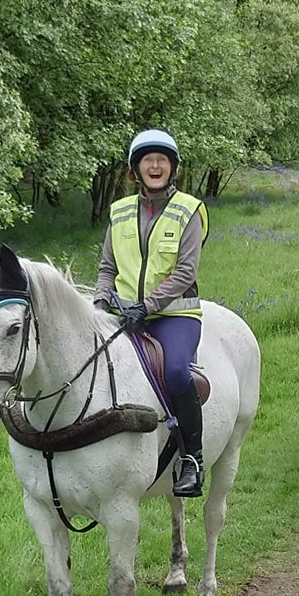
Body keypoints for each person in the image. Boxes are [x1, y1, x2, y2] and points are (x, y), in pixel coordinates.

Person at [94, 129, 209, 498]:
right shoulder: (120, 211)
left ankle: (192, 458)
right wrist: (99, 302)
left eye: (162, 160)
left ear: (172, 168)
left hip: (175, 314)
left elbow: (185, 272)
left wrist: (148, 305)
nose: (155, 165)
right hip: (126, 313)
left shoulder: (189, 209)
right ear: (135, 169)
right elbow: (106, 267)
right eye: (148, 160)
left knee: (175, 371)